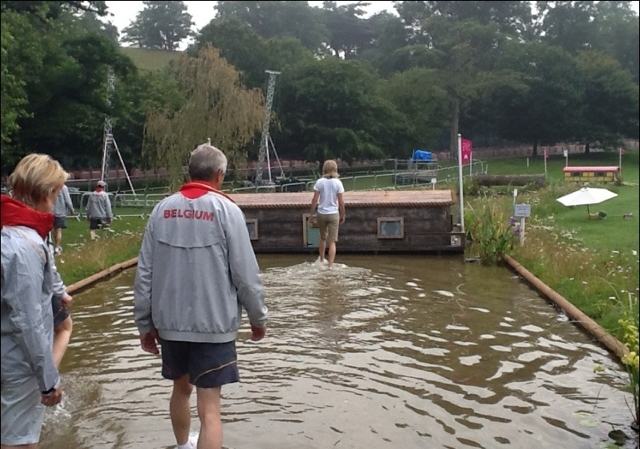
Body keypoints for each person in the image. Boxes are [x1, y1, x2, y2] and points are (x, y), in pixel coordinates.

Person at [134, 143, 268, 449]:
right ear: (219, 174)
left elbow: (144, 273)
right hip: (214, 327)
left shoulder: (161, 210)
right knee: (210, 409)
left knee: (181, 391)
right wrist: (257, 317)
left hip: (170, 325)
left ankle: (183, 446)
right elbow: (246, 275)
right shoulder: (228, 211)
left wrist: (144, 324)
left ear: (190, 171)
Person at [1, 154, 68, 448]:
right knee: (19, 442)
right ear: (45, 194)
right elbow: (27, 321)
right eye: (56, 194)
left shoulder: (13, 229)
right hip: (16, 361)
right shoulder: (25, 245)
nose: (56, 202)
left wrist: (59, 290)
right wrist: (47, 381)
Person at [309, 159, 346, 269]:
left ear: (324, 169)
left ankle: (321, 260)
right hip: (334, 213)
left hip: (321, 213)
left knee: (322, 237)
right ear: (335, 169)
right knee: (332, 241)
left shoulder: (320, 182)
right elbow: (341, 201)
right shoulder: (338, 183)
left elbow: (314, 200)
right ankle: (330, 266)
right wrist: (343, 214)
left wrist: (311, 215)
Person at [52, 184, 75, 255]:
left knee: (53, 230)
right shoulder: (63, 187)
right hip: (60, 211)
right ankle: (57, 247)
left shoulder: (50, 185)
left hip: (51, 211)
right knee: (59, 230)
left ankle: (54, 245)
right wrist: (72, 210)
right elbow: (68, 200)